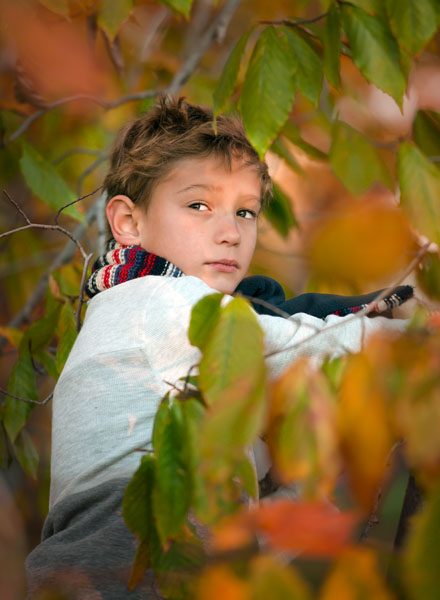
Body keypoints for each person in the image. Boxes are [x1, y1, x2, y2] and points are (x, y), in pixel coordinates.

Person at [25, 97, 411, 599]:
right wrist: (413, 339)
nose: (230, 233)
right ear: (128, 222)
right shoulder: (153, 301)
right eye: (199, 205)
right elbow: (298, 346)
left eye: (245, 212)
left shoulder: (165, 328)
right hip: (118, 560)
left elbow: (238, 520)